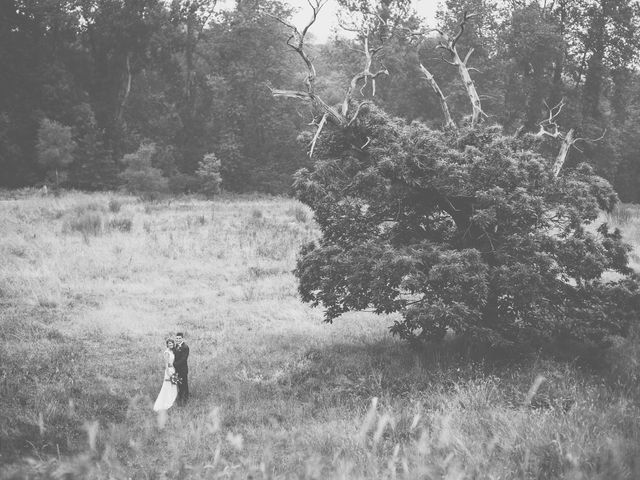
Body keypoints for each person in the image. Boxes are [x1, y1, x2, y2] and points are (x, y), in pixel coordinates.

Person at [153, 339, 178, 411]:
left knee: (173, 385)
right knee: (167, 385)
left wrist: (174, 370)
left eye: (172, 343)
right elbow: (166, 364)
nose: (171, 345)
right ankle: (166, 401)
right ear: (167, 344)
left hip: (173, 369)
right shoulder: (167, 352)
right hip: (169, 370)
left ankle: (172, 399)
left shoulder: (172, 351)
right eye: (169, 344)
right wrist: (168, 372)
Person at [173, 332, 189, 405]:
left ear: (182, 338)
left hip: (183, 369)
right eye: (177, 338)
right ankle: (180, 396)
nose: (178, 339)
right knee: (179, 383)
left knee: (184, 383)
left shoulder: (185, 347)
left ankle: (186, 398)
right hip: (177, 369)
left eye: (179, 338)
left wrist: (174, 364)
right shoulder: (175, 346)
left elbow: (183, 359)